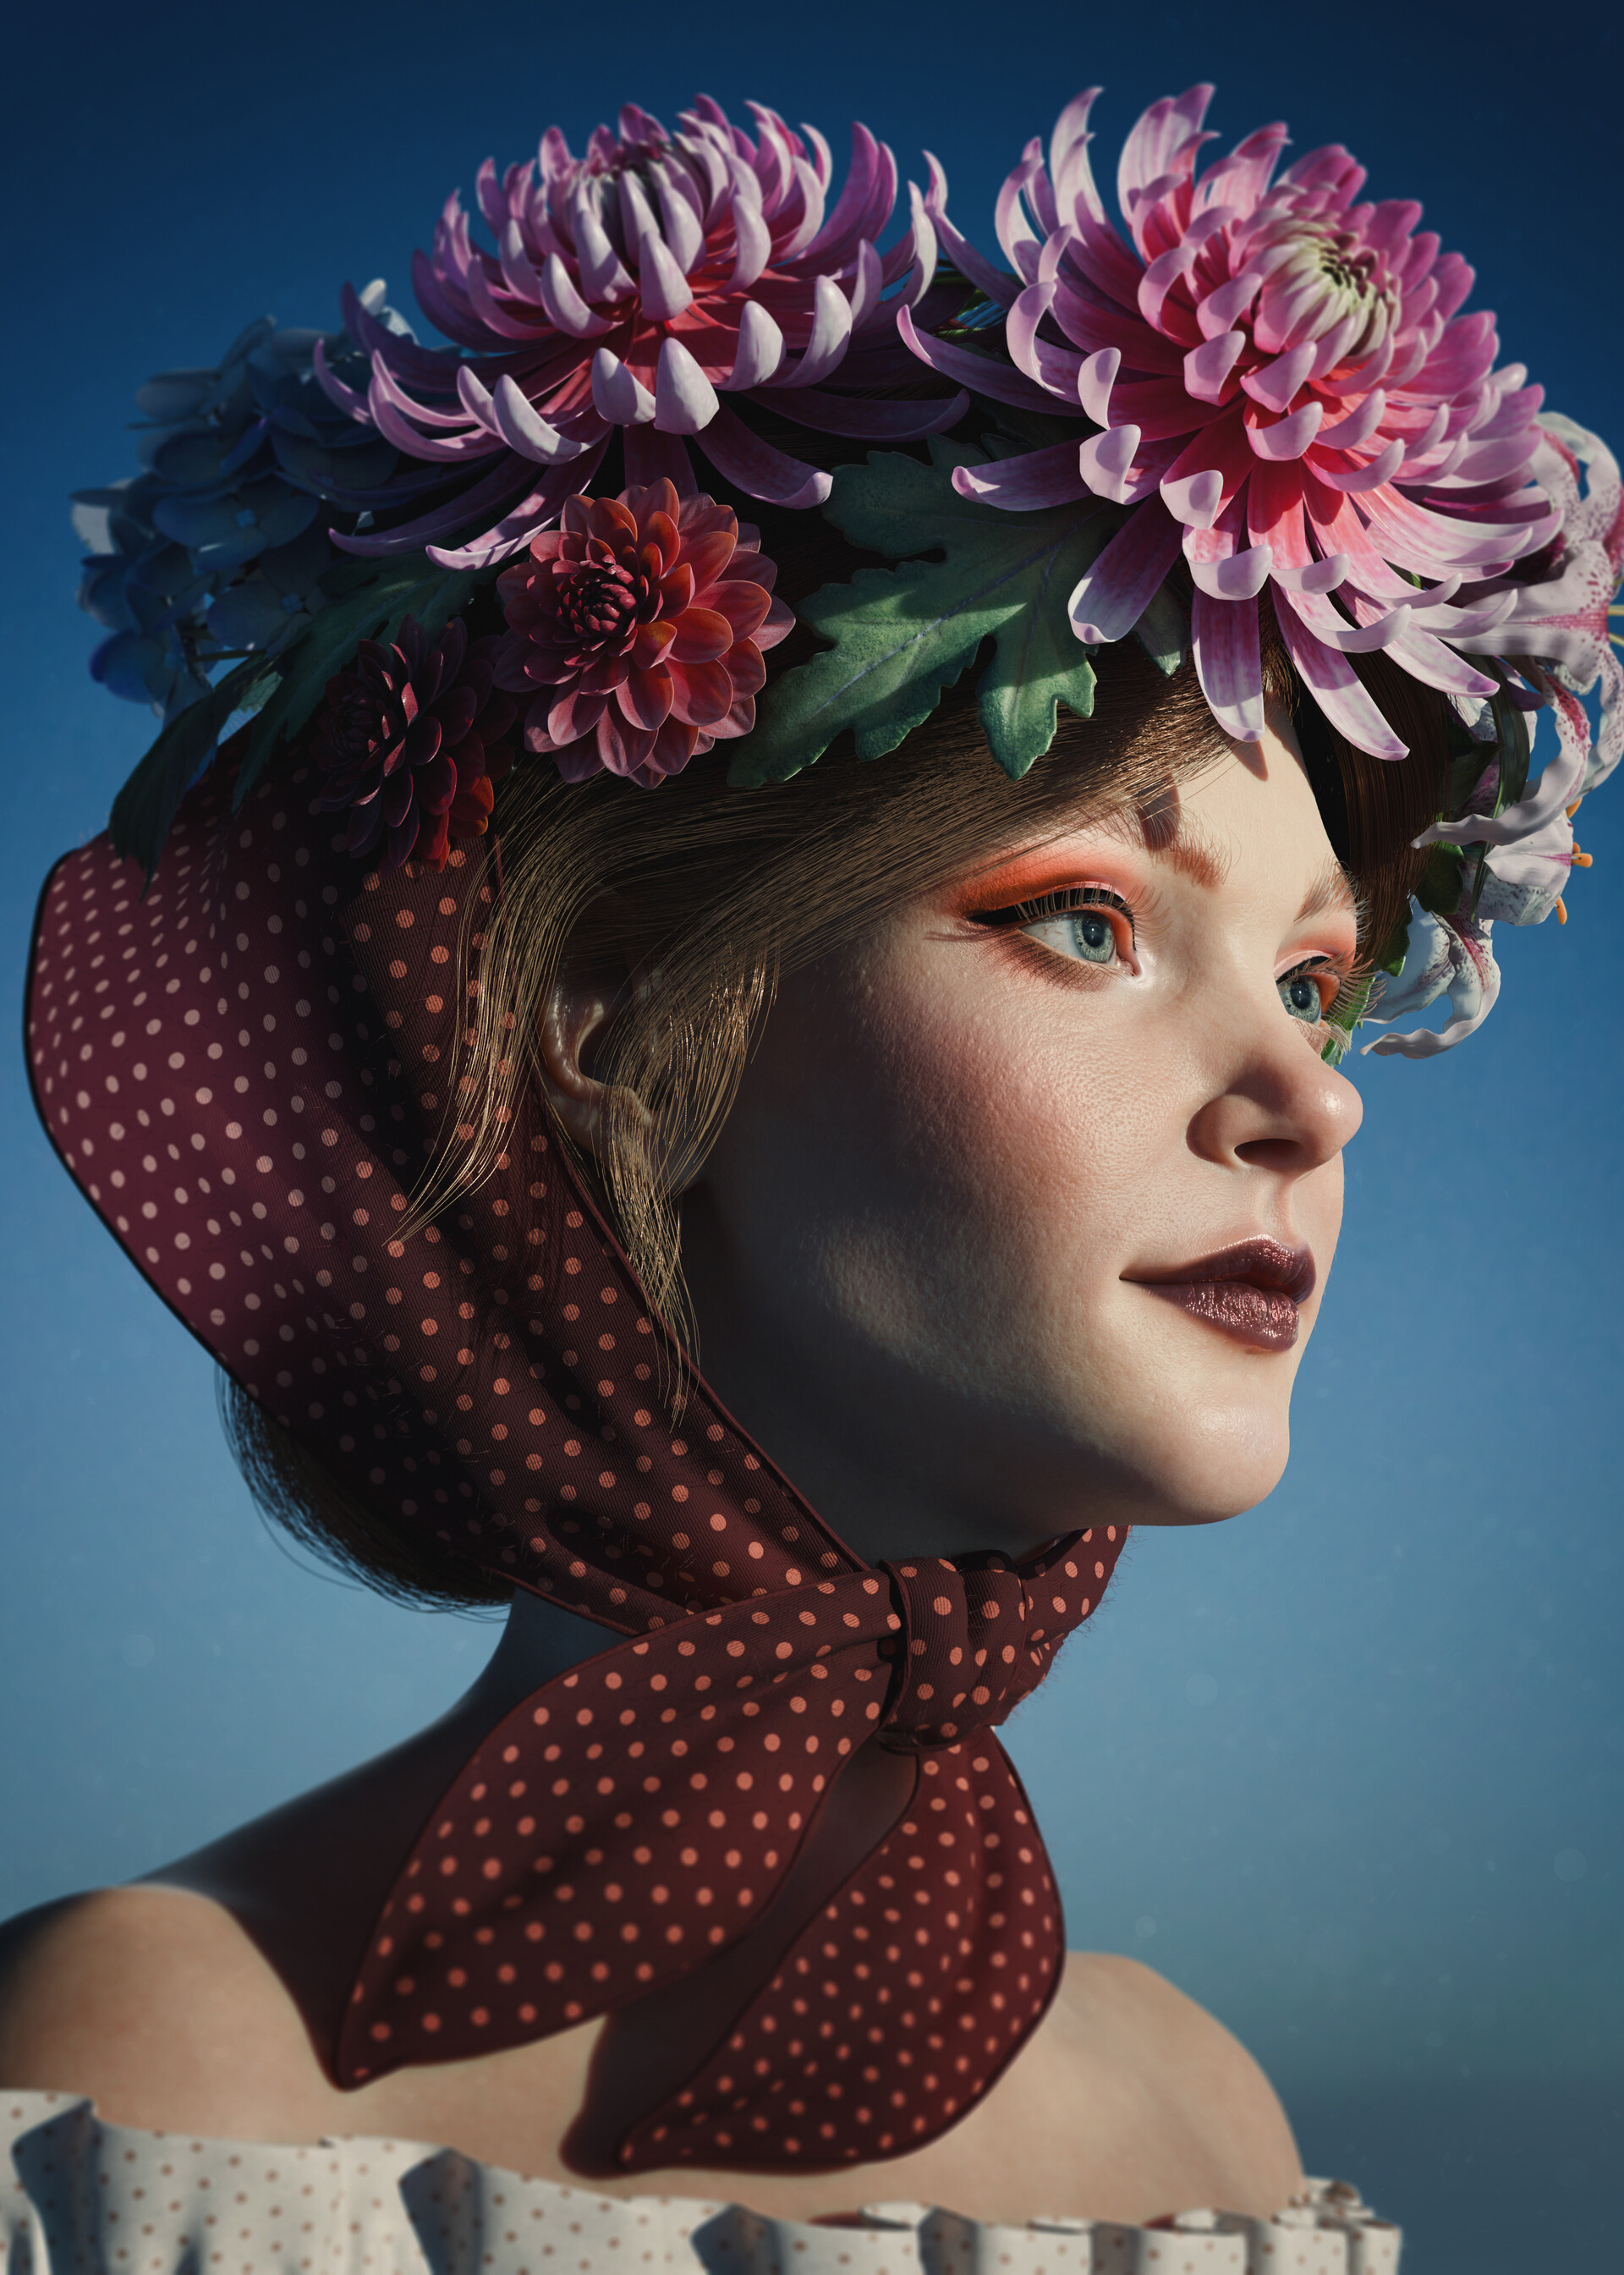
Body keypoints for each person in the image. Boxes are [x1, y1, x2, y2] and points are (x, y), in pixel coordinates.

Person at [2, 80, 1616, 2272]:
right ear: (619, 1026)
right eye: (1086, 921)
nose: (1306, 1099)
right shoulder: (154, 2059)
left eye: (1322, 983)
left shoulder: (1202, 2119)